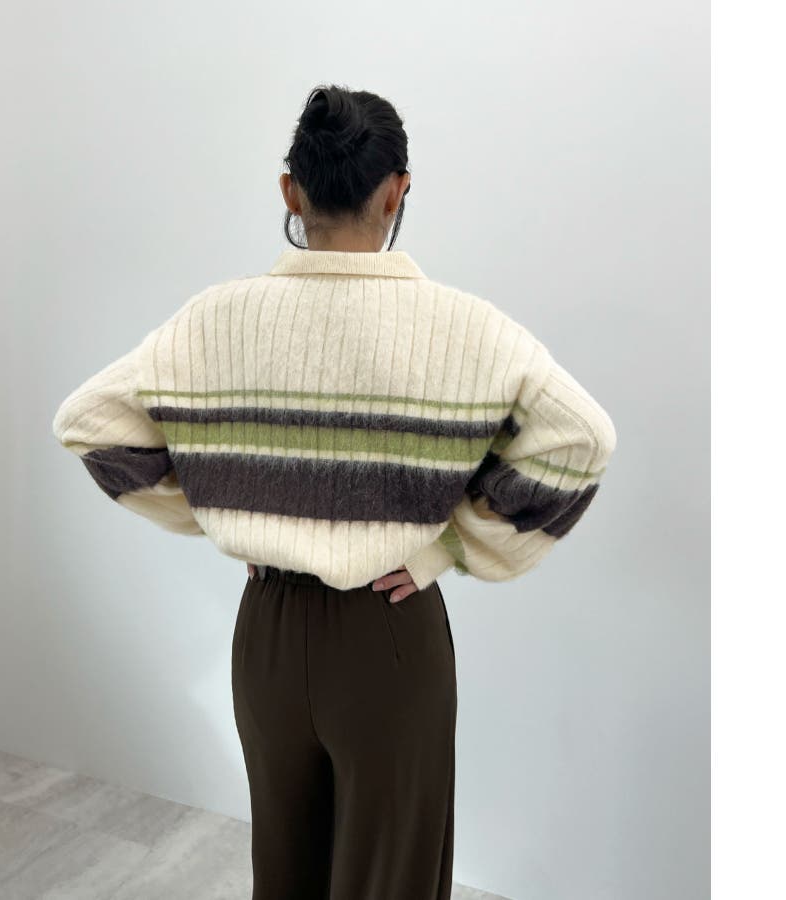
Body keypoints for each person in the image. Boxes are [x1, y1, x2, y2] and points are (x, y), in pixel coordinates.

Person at [52, 82, 617, 900]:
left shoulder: (215, 318)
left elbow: (89, 421)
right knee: (390, 880)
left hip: (268, 636)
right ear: (397, 192)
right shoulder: (468, 329)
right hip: (389, 635)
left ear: (292, 191)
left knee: (285, 870)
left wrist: (225, 503)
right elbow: (582, 437)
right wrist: (451, 545)